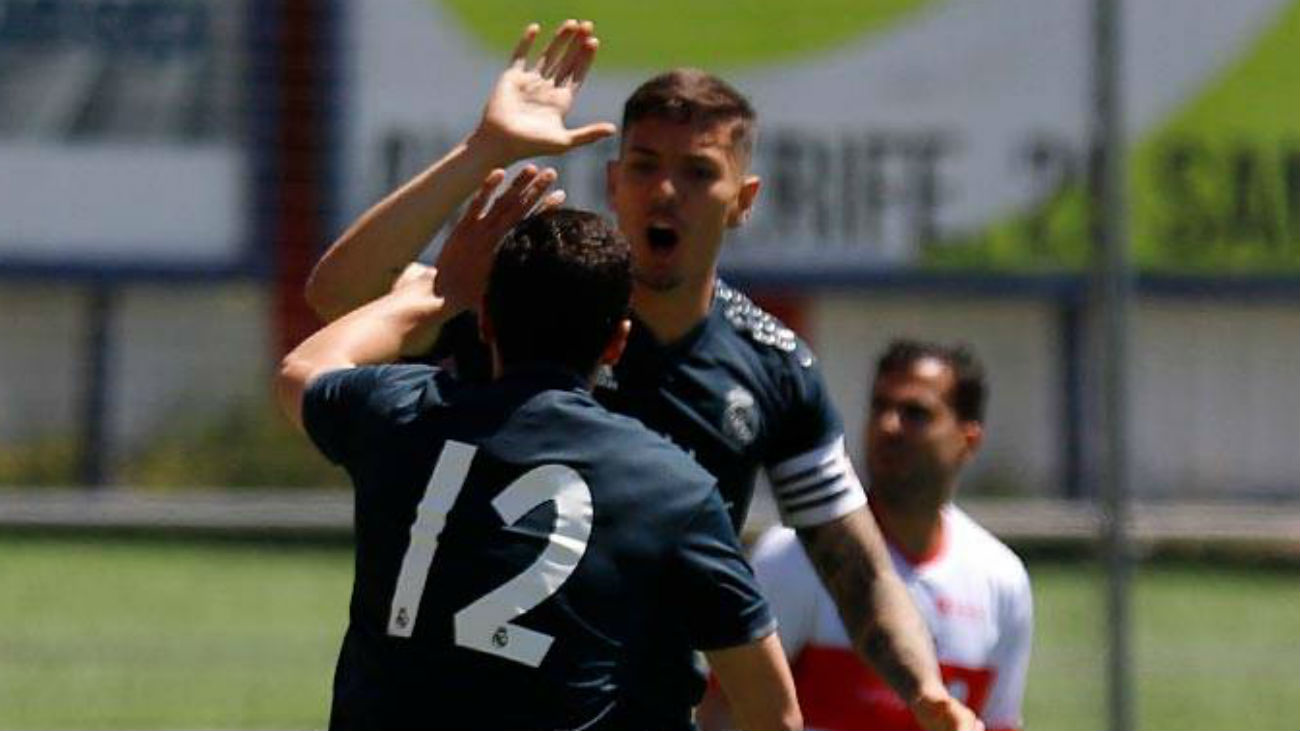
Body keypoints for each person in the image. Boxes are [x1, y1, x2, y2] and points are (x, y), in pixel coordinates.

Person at [304, 20, 980, 731]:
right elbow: (343, 296)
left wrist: (924, 688)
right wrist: (486, 150)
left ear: (742, 199)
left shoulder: (773, 368)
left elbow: (857, 565)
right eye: (645, 165)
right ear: (612, 180)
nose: (665, 192)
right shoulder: (540, 301)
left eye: (697, 172)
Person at [277, 200, 803, 730]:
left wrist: (437, 296)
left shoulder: (403, 415)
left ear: (484, 320)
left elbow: (305, 367)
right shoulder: (671, 488)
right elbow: (772, 712)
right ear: (618, 343)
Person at [718, 340, 1033, 731]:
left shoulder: (1001, 579)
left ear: (967, 440)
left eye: (915, 413)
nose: (888, 425)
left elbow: (998, 723)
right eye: (880, 407)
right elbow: (723, 711)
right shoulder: (796, 555)